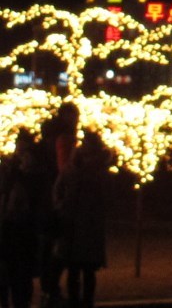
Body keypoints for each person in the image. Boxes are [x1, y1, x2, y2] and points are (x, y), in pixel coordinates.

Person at [53, 130, 110, 308]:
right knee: (76, 269)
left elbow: (105, 197)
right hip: (74, 224)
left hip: (87, 225)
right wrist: (62, 205)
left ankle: (84, 302)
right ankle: (76, 302)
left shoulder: (96, 171)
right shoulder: (73, 168)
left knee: (85, 270)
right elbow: (58, 189)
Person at [35, 103, 77, 307]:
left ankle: (48, 288)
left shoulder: (47, 139)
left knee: (49, 247)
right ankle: (51, 288)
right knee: (59, 247)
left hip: (45, 198)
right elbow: (64, 169)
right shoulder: (64, 139)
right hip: (56, 199)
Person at [1, 130, 39, 308]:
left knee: (19, 271)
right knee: (12, 270)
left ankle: (19, 300)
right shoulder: (10, 169)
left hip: (21, 228)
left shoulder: (30, 173)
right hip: (12, 227)